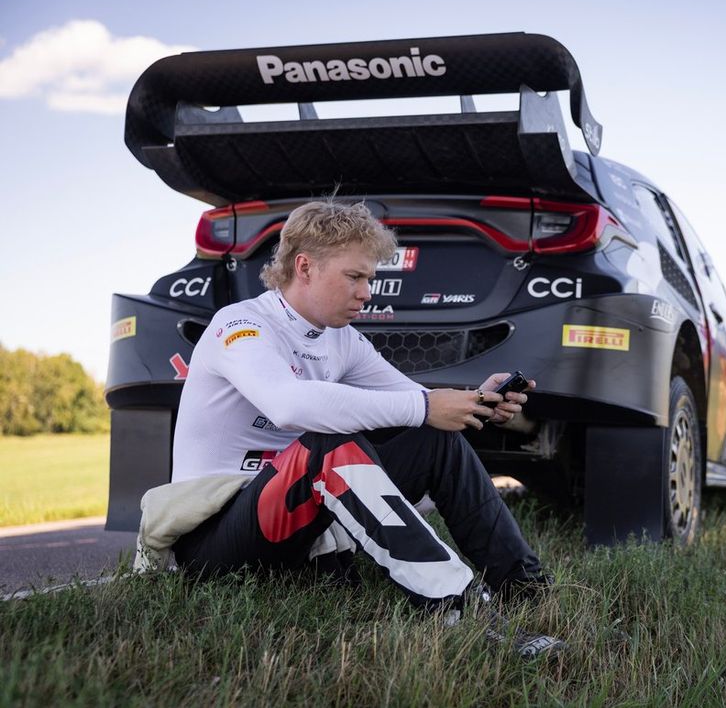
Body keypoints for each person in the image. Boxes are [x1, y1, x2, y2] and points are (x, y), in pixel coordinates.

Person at [136, 199, 563, 656]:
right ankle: (459, 607)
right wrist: (424, 406)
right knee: (327, 443)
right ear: (305, 267)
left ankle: (525, 587)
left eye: (369, 279)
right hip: (215, 540)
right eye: (354, 277)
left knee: (434, 438)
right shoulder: (239, 324)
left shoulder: (343, 339)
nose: (366, 293)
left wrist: (477, 400)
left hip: (294, 529)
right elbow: (288, 404)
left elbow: (409, 400)